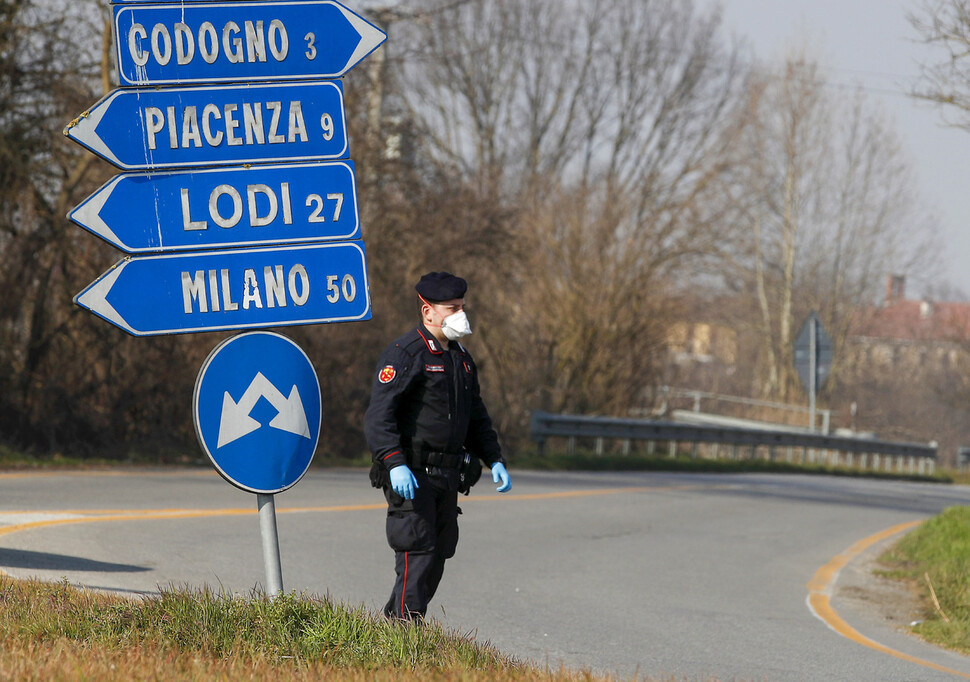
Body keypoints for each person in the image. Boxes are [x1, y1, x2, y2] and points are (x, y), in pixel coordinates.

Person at [364, 271, 511, 621]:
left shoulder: (461, 359)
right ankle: (404, 630)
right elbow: (378, 416)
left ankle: (394, 623)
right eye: (451, 308)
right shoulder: (406, 354)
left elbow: (477, 417)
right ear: (427, 311)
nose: (460, 314)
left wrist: (495, 458)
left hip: (447, 474)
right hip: (411, 472)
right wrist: (393, 461)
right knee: (418, 549)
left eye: (462, 306)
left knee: (440, 551)